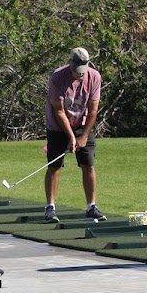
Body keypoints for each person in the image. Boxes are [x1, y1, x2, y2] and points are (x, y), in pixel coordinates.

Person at [43, 47, 103, 222]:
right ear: (70, 64)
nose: (80, 75)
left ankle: (91, 206)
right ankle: (50, 207)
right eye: (77, 71)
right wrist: (70, 137)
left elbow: (93, 110)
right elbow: (59, 111)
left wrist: (83, 136)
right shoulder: (57, 78)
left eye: (83, 71)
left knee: (88, 164)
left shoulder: (94, 77)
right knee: (54, 166)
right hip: (57, 126)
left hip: (82, 124)